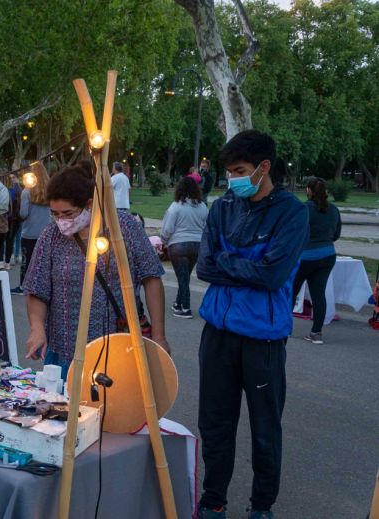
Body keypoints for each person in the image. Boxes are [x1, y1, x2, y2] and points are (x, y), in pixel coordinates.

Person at [195, 130, 308, 519]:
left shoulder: (292, 212)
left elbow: (272, 276)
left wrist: (230, 263)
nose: (232, 180)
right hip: (218, 334)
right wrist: (245, 267)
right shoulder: (222, 207)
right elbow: (203, 265)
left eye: (240, 171)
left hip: (263, 340)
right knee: (214, 424)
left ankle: (262, 507)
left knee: (265, 430)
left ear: (264, 167)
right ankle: (213, 501)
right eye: (228, 172)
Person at [22, 165, 169, 372]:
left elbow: (152, 278)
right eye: (55, 214)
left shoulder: (124, 227)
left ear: (89, 204)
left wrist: (159, 336)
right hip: (65, 350)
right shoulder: (51, 236)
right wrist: (37, 328)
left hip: (120, 348)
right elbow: (37, 289)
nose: (61, 220)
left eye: (68, 213)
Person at [291, 177, 341, 345]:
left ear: (309, 190)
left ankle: (284, 327)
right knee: (318, 294)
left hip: (305, 256)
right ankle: (316, 333)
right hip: (327, 255)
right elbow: (336, 235)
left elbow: (295, 232)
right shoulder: (334, 209)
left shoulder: (304, 209)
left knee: (291, 291)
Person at [160, 176, 208, 319]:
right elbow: (207, 227)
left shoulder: (175, 207)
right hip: (197, 244)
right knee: (185, 275)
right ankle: (178, 303)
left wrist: (163, 241)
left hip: (179, 245)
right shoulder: (203, 206)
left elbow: (167, 229)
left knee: (182, 278)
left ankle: (185, 308)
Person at [12, 162, 49, 295]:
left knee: (26, 262)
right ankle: (41, 287)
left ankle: (23, 287)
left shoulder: (27, 192)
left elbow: (23, 214)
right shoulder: (49, 191)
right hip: (45, 233)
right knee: (43, 262)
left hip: (29, 232)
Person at [1, 172, 22, 270]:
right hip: (7, 218)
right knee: (4, 240)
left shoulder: (18, 189)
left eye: (14, 178)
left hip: (14, 219)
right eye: (10, 178)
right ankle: (3, 261)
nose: (12, 180)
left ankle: (8, 260)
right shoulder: (5, 189)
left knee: (10, 240)